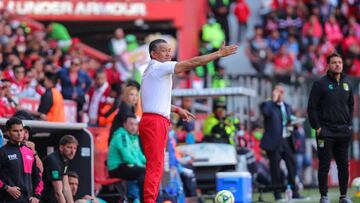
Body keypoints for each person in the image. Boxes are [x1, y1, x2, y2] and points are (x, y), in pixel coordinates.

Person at [139, 39, 237, 203]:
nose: (168, 53)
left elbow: (154, 101)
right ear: (153, 54)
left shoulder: (152, 70)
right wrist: (218, 54)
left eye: (169, 50)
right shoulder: (159, 67)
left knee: (156, 165)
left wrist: (177, 109)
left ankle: (151, 199)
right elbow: (192, 63)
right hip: (155, 123)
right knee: (155, 166)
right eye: (164, 50)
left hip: (153, 121)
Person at [307, 53, 354, 203]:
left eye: (340, 62)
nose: (338, 65)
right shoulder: (320, 84)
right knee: (324, 165)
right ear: (328, 65)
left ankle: (343, 196)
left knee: (343, 165)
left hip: (343, 131)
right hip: (325, 131)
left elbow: (351, 105)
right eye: (334, 62)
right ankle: (324, 196)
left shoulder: (347, 83)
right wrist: (318, 128)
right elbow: (311, 108)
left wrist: (349, 124)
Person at [260, 84, 302, 200]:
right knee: (275, 169)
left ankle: (295, 192)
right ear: (273, 92)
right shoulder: (267, 105)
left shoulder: (287, 106)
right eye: (278, 91)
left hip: (287, 140)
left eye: (282, 92)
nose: (280, 94)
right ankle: (277, 194)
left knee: (292, 166)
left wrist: (296, 125)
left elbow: (289, 121)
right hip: (274, 142)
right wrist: (272, 100)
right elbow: (266, 113)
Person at [0, 117, 43, 203]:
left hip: (28, 200)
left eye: (21, 130)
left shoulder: (29, 151)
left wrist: (37, 196)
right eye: (15, 131)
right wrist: (7, 188)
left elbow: (38, 176)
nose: (19, 134)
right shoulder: (2, 152)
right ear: (8, 133)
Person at [108, 115, 145, 203]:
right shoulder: (122, 136)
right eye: (131, 124)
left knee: (148, 170)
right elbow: (127, 157)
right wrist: (142, 166)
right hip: (116, 168)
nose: (134, 127)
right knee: (143, 171)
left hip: (126, 166)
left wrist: (151, 164)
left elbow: (140, 156)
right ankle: (143, 200)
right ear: (124, 125)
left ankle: (138, 199)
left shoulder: (134, 138)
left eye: (136, 125)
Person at [42, 135, 78, 203]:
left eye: (75, 148)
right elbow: (58, 193)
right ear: (61, 147)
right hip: (41, 198)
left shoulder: (65, 160)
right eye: (69, 147)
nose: (72, 151)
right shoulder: (54, 161)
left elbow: (66, 187)